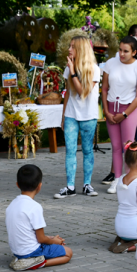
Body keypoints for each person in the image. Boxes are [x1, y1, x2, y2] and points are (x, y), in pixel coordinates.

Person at [55, 36, 101, 199]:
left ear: (81, 49)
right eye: (69, 46)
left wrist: (73, 71)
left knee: (88, 150)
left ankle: (87, 185)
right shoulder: (69, 68)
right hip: (71, 116)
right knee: (70, 151)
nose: (69, 49)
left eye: (72, 47)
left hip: (88, 116)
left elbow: (82, 92)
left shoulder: (94, 69)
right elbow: (68, 93)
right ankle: (70, 186)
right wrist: (63, 116)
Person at [100, 35, 137, 195]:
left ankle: (129, 178)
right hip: (112, 107)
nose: (121, 54)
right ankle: (117, 178)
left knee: (128, 146)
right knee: (115, 146)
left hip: (129, 109)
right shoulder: (110, 63)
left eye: (125, 51)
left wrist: (125, 114)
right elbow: (104, 88)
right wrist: (106, 111)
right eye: (120, 50)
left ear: (134, 52)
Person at [7, 164, 73, 270]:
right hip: (31, 251)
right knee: (68, 253)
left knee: (52, 241)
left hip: (17, 251)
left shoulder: (12, 205)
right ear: (39, 186)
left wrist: (51, 238)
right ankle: (35, 263)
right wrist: (54, 241)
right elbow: (41, 238)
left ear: (17, 185)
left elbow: (31, 233)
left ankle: (24, 260)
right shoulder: (35, 207)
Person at [109, 141, 137, 254]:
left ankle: (121, 241)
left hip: (120, 227)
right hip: (135, 229)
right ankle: (135, 245)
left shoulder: (121, 179)